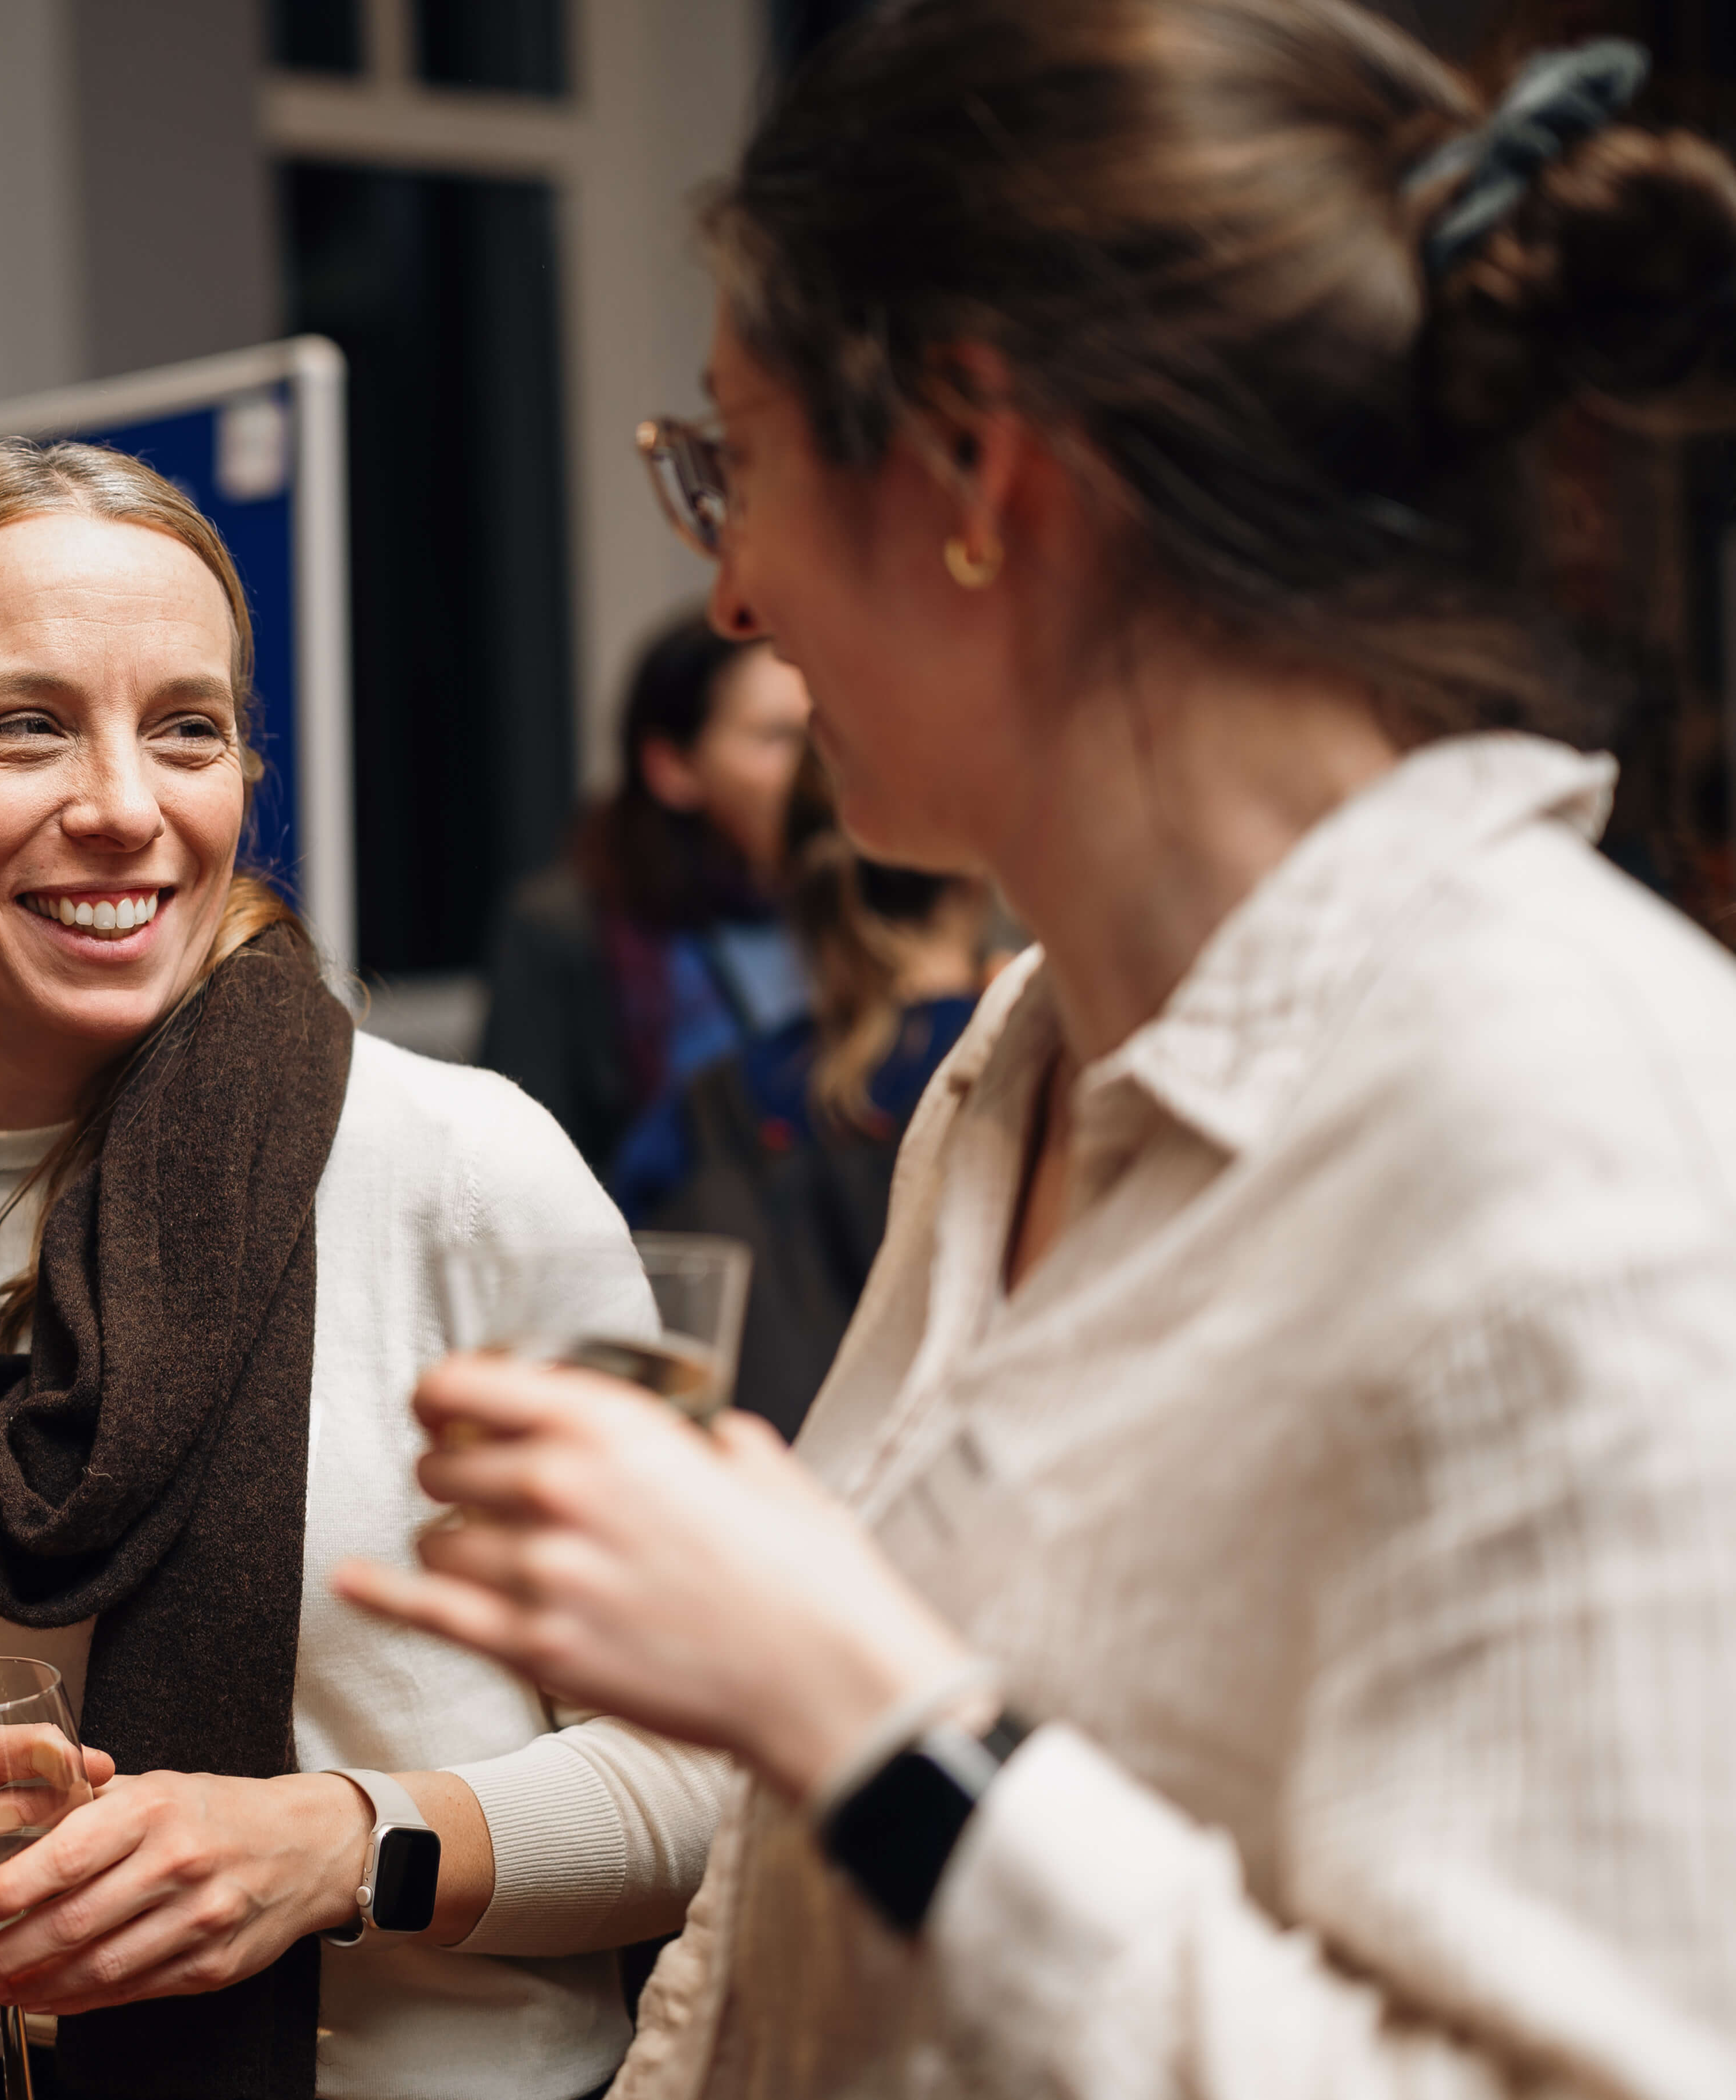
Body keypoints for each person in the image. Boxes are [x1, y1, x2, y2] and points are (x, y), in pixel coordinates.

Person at [338, 7, 1736, 2097]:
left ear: (973, 472)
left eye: (732, 466)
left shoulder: (1575, 1134)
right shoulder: (1019, 1053)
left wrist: (858, 1709)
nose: (727, 595)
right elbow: (781, 1921)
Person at [0, 439, 718, 2100]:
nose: (123, 807)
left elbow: (710, 1773)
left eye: (186, 728)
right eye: (25, 725)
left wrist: (345, 1843)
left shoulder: (459, 1173)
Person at [643, 766, 991, 1438]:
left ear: (793, 889)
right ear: (972, 879)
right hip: (963, 1479)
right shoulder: (1015, 1067)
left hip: (757, 1478)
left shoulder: (710, 1103)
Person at [476, 614, 812, 1213]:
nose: (813, 767)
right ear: (672, 768)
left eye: (818, 733)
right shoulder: (565, 926)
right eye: (775, 738)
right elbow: (516, 1182)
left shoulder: (851, 908)